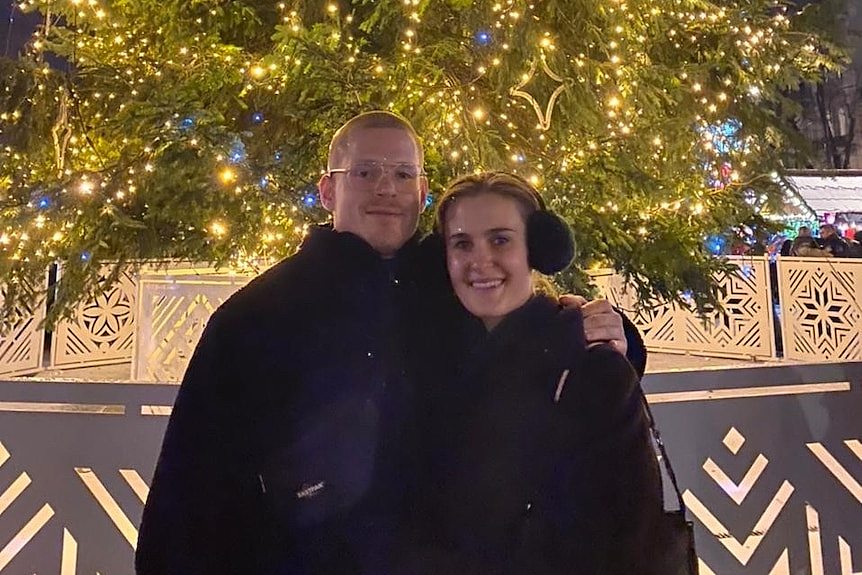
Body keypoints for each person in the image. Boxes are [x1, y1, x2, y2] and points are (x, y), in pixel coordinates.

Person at [135, 111, 644, 574]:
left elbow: (538, 339)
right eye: (365, 172)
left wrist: (615, 333)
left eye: (403, 174)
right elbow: (191, 489)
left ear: (423, 192)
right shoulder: (256, 317)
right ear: (327, 191)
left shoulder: (453, 289)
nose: (386, 188)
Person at [408, 172, 663, 575]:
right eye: (462, 243)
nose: (480, 261)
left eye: (500, 239)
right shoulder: (431, 369)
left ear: (538, 249)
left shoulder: (591, 370)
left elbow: (631, 538)